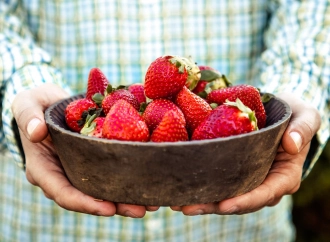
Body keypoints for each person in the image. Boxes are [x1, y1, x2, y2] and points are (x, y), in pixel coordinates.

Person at [0, 0, 329, 241]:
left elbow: (310, 12)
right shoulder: (132, 105)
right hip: (51, 224)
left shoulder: (186, 104)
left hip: (239, 218)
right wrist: (22, 81)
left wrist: (296, 87)